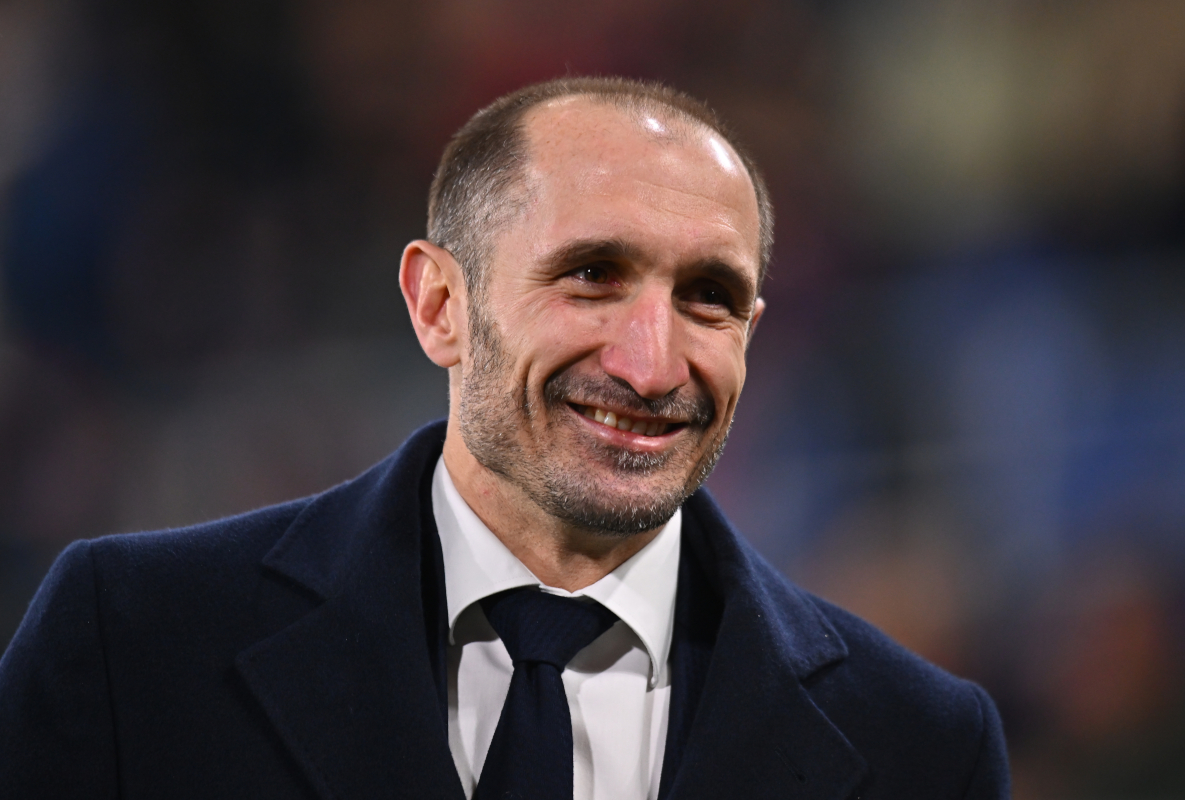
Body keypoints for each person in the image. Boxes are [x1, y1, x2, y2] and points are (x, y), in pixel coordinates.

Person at [0, 77, 1009, 799]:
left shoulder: (921, 743)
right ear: (440, 305)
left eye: (708, 296)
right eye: (592, 276)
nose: (652, 364)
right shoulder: (132, 643)